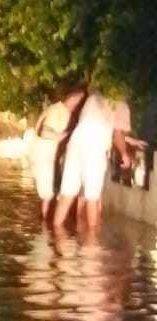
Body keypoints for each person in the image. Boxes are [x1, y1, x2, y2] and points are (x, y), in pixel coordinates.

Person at [53, 90, 132, 230]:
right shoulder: (121, 104)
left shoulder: (94, 96)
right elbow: (118, 134)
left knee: (66, 195)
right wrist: (124, 154)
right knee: (92, 198)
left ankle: (54, 238)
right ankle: (91, 245)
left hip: (75, 144)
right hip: (95, 148)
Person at [29, 84, 84, 222]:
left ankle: (44, 226)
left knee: (48, 194)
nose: (80, 105)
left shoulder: (56, 109)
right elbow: (45, 132)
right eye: (80, 101)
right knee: (47, 196)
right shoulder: (59, 112)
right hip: (43, 157)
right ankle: (44, 229)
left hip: (41, 156)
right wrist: (66, 134)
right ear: (73, 98)